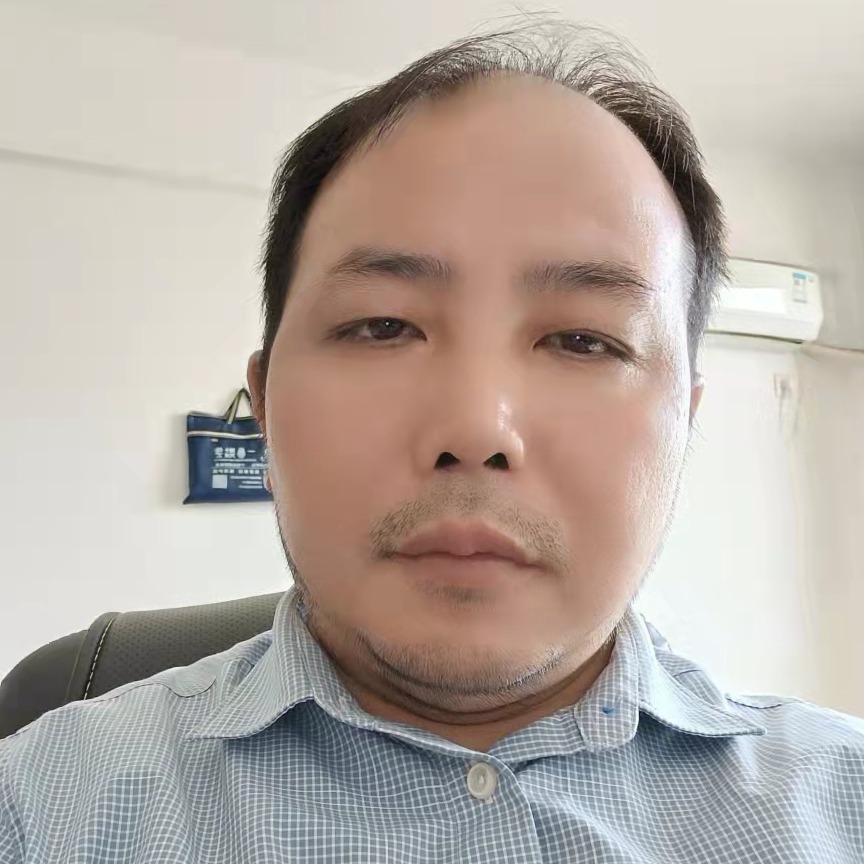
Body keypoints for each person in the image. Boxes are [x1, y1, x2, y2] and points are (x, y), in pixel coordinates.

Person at [2, 22, 862, 864]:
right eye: (383, 326)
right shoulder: (36, 812)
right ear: (263, 406)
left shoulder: (843, 805)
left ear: (684, 419)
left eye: (583, 341)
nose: (477, 428)